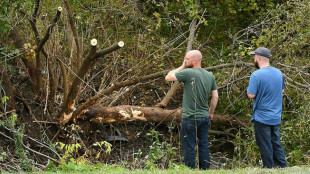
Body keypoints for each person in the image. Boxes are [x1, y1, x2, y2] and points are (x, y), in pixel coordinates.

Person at [165, 50, 218, 169]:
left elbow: (168, 77)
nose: (185, 61)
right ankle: (205, 170)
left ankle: (190, 170)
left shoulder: (188, 72)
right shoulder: (210, 75)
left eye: (187, 59)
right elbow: (215, 96)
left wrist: (182, 66)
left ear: (195, 61)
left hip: (190, 117)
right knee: (204, 145)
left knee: (189, 146)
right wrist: (211, 113)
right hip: (204, 117)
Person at [247, 47, 287, 168]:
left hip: (262, 116)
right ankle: (282, 166)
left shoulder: (256, 75)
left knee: (264, 143)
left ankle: (268, 167)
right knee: (275, 142)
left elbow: (251, 95)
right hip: (276, 115)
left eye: (254, 57)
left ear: (258, 58)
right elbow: (281, 90)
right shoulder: (278, 73)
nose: (254, 59)